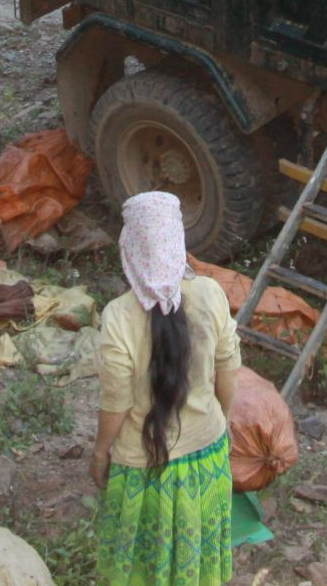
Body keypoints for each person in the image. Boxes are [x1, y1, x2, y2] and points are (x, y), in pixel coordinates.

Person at [91, 191, 241, 586]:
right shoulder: (210, 294)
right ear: (178, 242)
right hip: (206, 459)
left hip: (144, 469)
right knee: (197, 564)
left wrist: (100, 451)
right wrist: (220, 423)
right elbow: (228, 373)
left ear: (130, 248)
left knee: (146, 568)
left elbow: (117, 404)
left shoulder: (119, 316)